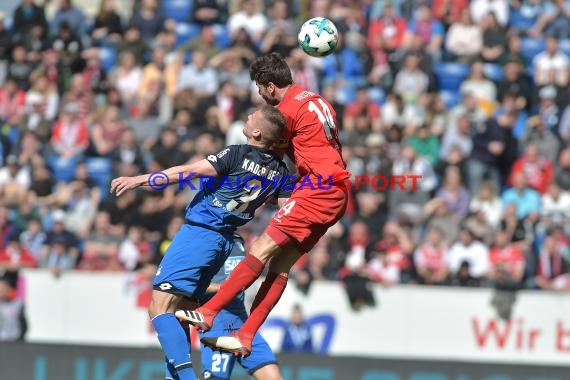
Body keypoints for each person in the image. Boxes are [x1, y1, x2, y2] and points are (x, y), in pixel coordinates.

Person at [177, 52, 350, 357]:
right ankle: (245, 336)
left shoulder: (284, 112)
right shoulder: (317, 99)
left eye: (259, 89)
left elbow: (267, 154)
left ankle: (208, 313)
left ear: (270, 87)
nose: (259, 96)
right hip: (336, 191)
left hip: (317, 189)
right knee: (280, 266)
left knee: (260, 250)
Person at [110, 105, 291, 380]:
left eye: (252, 115)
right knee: (180, 309)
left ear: (257, 132)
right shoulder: (279, 171)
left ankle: (185, 378)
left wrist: (140, 180)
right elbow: (285, 203)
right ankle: (176, 376)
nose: (248, 114)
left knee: (158, 306)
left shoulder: (237, 153)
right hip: (225, 241)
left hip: (201, 232)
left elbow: (188, 172)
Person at [200, 234, 283, 380]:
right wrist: (223, 288)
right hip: (217, 325)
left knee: (274, 377)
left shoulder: (239, 240)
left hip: (242, 325)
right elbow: (188, 283)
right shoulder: (207, 239)